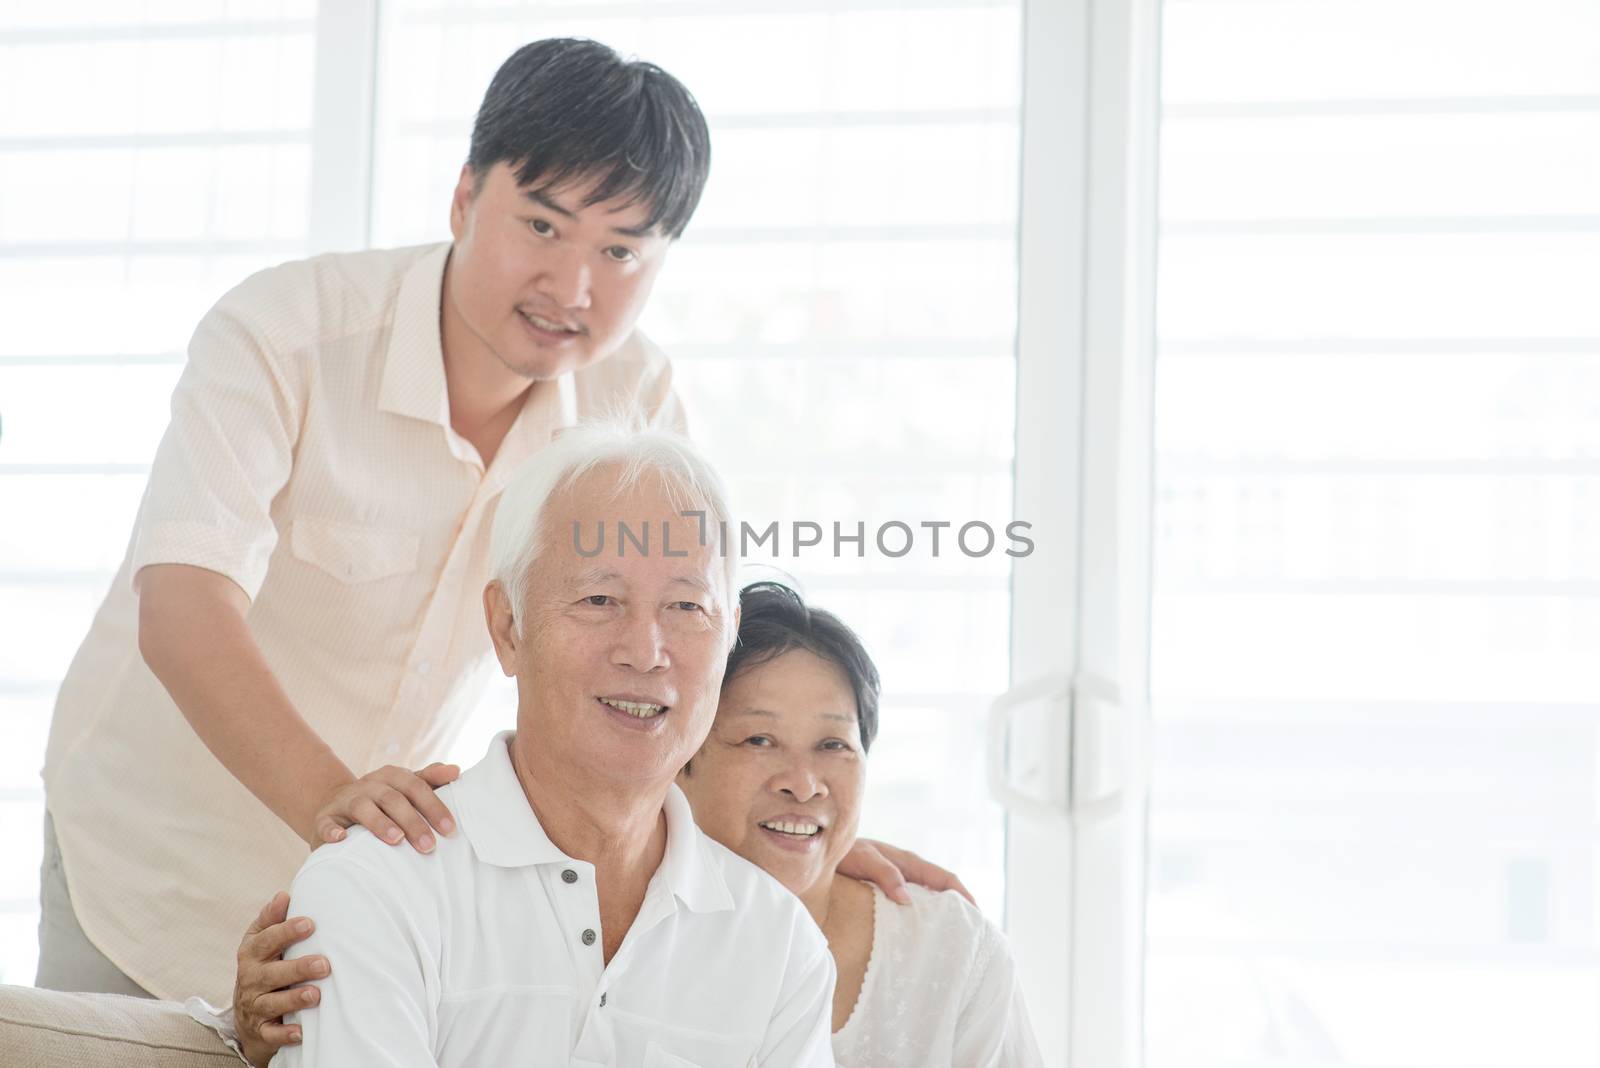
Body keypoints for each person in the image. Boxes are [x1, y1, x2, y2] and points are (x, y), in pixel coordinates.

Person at [37, 37, 953, 1005]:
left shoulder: (632, 399)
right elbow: (183, 603)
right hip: (155, 862)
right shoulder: (284, 334)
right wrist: (331, 804)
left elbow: (690, 644)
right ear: (465, 197)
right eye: (544, 226)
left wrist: (796, 830)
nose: (573, 287)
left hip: (373, 892)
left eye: (620, 251)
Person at [232, 579, 1041, 1067]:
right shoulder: (498, 897)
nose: (802, 782)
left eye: (834, 745)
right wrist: (265, 1032)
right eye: (757, 739)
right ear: (675, 750)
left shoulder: (944, 950)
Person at [275, 423, 835, 1065]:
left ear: (728, 633)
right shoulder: (376, 886)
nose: (646, 653)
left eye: (686, 607)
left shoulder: (781, 943)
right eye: (599, 599)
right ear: (507, 627)